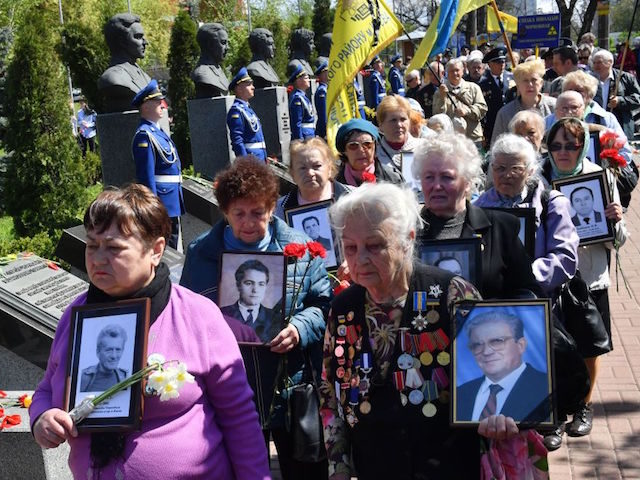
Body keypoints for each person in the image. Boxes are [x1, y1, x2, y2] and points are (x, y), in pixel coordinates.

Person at [30, 184, 270, 479]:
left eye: (114, 247)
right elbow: (46, 388)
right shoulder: (75, 316)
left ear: (156, 250)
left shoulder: (197, 315)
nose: (98, 258)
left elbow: (239, 419)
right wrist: (42, 417)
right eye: (92, 245)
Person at [320, 182, 527, 479]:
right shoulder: (343, 308)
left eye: (375, 244)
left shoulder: (450, 293)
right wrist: (338, 467)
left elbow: (496, 372)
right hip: (375, 467)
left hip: (447, 466)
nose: (360, 258)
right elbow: (331, 394)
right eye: (350, 247)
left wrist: (498, 415)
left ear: (408, 240)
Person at [180, 158, 331, 480]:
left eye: (258, 213)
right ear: (225, 212)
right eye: (239, 214)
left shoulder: (301, 249)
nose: (248, 223)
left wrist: (299, 328)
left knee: (305, 471)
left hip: (291, 386)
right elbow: (187, 312)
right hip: (232, 390)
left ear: (272, 207)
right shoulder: (201, 254)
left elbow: (323, 303)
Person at [542, 117, 627, 443]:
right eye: (557, 145)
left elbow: (617, 241)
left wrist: (614, 222)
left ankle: (584, 406)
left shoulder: (600, 177)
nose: (563, 152)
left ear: (583, 147)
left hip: (589, 278)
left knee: (588, 345)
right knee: (555, 347)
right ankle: (557, 413)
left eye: (572, 145)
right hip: (552, 280)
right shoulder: (540, 179)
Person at [414, 132, 542, 299]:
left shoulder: (501, 227)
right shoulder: (408, 231)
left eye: (447, 177)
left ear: (468, 183)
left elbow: (527, 291)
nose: (436, 186)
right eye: (429, 177)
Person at [474, 133, 579, 296]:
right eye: (500, 168)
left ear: (530, 171)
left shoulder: (551, 204)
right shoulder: (479, 207)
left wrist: (524, 279)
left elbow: (565, 258)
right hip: (491, 305)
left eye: (516, 168)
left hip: (538, 302)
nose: (507, 175)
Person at [456, 311, 551, 422]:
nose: (486, 352)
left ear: (521, 345)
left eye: (497, 341)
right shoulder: (460, 394)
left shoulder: (546, 387)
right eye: (477, 345)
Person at [131, 79, 184, 251]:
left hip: (171, 199)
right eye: (157, 102)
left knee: (172, 245)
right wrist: (152, 206)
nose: (162, 105)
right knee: (165, 248)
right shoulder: (144, 136)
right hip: (161, 201)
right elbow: (146, 176)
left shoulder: (157, 132)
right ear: (145, 106)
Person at [275, 137, 352, 218]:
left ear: (330, 169)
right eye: (302, 168)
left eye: (316, 166)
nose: (310, 173)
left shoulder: (354, 198)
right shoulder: (278, 211)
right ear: (292, 173)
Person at [491, 59, 556, 144]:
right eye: (525, 81)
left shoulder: (555, 106)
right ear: (517, 85)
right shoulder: (505, 113)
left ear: (541, 83)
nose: (530, 85)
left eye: (534, 80)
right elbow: (496, 145)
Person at [98, 14, 151, 112]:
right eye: (138, 37)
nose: (145, 42)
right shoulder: (112, 77)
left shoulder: (146, 77)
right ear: (122, 41)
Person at [433, 57, 487, 148]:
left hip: (472, 138)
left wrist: (467, 111)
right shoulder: (440, 92)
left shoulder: (473, 88)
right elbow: (437, 115)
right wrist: (442, 98)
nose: (455, 73)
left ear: (463, 71)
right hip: (451, 141)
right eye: (451, 71)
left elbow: (482, 108)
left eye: (457, 70)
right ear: (446, 73)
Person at [220, 259, 277, 342]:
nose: (255, 290)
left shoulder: (275, 317)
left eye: (261, 284)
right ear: (238, 285)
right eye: (249, 283)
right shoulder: (222, 314)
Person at [334, 118, 403, 186]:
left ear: (375, 147)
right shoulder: (333, 183)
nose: (361, 150)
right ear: (344, 151)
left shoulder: (393, 178)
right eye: (353, 145)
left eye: (367, 144)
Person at [591, 49, 640, 141]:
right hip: (595, 126)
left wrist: (620, 101)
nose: (595, 66)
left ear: (610, 62)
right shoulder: (589, 79)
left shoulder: (625, 78)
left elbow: (638, 98)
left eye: (599, 62)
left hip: (619, 127)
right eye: (594, 63)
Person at [226, 67, 267, 161]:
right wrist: (245, 164)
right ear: (239, 89)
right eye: (248, 85)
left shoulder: (247, 109)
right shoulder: (236, 111)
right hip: (251, 159)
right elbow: (237, 141)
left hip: (259, 157)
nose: (253, 87)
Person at [375, 95, 421, 172]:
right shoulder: (375, 155)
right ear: (381, 125)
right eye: (393, 120)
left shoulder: (424, 148)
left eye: (403, 119)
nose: (399, 125)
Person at [478, 47, 514, 147]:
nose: (502, 65)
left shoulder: (513, 78)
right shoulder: (483, 84)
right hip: (493, 126)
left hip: (511, 123)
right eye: (498, 62)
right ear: (490, 64)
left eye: (503, 61)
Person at [80, 324, 128, 392]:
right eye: (109, 350)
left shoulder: (126, 377)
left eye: (118, 350)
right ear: (98, 352)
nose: (114, 356)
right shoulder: (82, 377)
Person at [191, 23, 230, 98]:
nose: (227, 47)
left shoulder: (218, 69)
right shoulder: (202, 74)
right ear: (209, 45)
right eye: (223, 43)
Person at [288, 65, 315, 140]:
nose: (308, 80)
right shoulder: (297, 98)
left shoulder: (303, 96)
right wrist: (299, 139)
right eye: (306, 78)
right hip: (304, 135)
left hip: (310, 134)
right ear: (299, 81)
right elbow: (297, 122)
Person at [314, 62, 328, 139]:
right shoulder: (322, 91)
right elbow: (323, 113)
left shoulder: (326, 88)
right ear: (323, 74)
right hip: (325, 129)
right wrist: (325, 130)